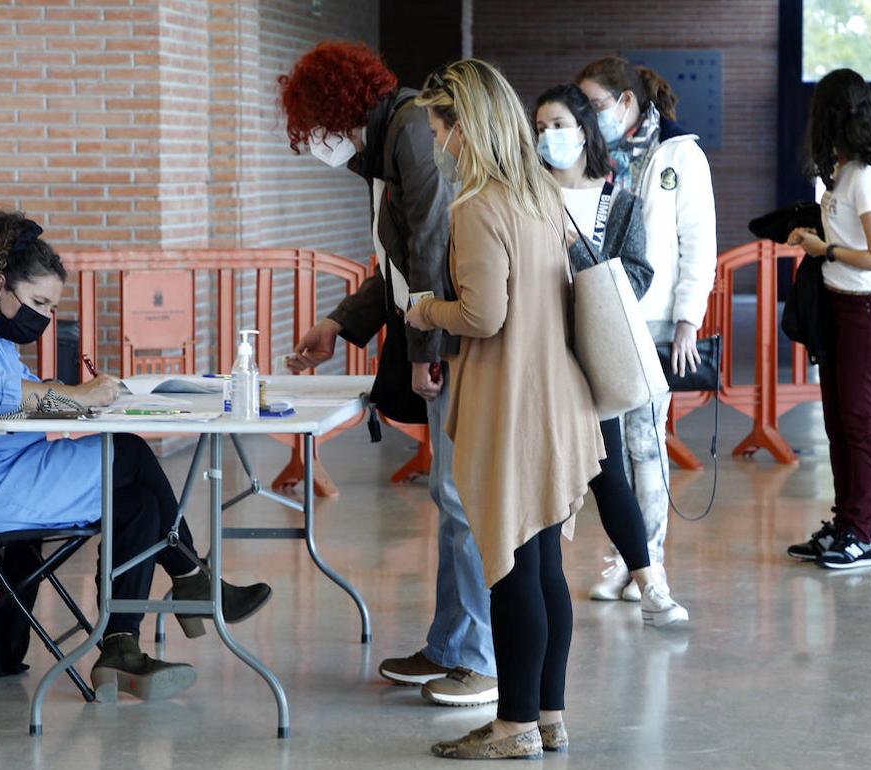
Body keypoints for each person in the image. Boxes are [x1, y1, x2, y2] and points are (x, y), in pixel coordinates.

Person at [0, 211, 272, 701]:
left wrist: (68, 397)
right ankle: (192, 578)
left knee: (139, 502)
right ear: (0, 284)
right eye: (37, 302)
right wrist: (77, 397)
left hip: (4, 477)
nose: (43, 316)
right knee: (126, 452)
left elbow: (18, 397)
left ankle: (122, 647)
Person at [279, 41, 498, 707]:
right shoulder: (397, 136)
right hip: (446, 333)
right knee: (449, 498)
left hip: (461, 343)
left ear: (336, 107)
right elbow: (398, 267)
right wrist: (341, 323)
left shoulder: (408, 133)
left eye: (314, 125)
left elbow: (433, 246)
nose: (317, 142)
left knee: (464, 500)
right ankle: (449, 646)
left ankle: (482, 661)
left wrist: (428, 351)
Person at [405, 59, 605, 760]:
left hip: (512, 402)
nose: (435, 138)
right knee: (544, 561)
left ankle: (513, 724)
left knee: (512, 564)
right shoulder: (539, 194)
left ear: (463, 125)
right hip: (557, 395)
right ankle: (547, 715)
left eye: (437, 124)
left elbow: (485, 315)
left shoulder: (478, 205)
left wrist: (422, 306)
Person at [533, 83, 688, 627]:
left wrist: (585, 268)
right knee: (542, 472)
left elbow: (640, 273)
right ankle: (543, 586)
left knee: (606, 467)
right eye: (540, 127)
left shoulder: (618, 201)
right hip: (539, 354)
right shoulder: (527, 198)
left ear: (583, 131)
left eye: (558, 125)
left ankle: (648, 578)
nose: (547, 137)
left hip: (597, 352)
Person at [575, 58, 716, 603]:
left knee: (645, 446)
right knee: (609, 454)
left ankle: (648, 563)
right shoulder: (592, 157)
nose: (588, 116)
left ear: (627, 103)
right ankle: (625, 560)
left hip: (654, 318)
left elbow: (697, 243)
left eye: (595, 104)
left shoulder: (680, 153)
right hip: (601, 314)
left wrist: (687, 322)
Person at [785, 69, 871, 570]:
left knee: (858, 423)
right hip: (840, 304)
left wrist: (824, 247)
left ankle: (862, 534)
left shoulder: (870, 178)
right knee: (837, 422)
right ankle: (844, 523)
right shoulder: (844, 172)